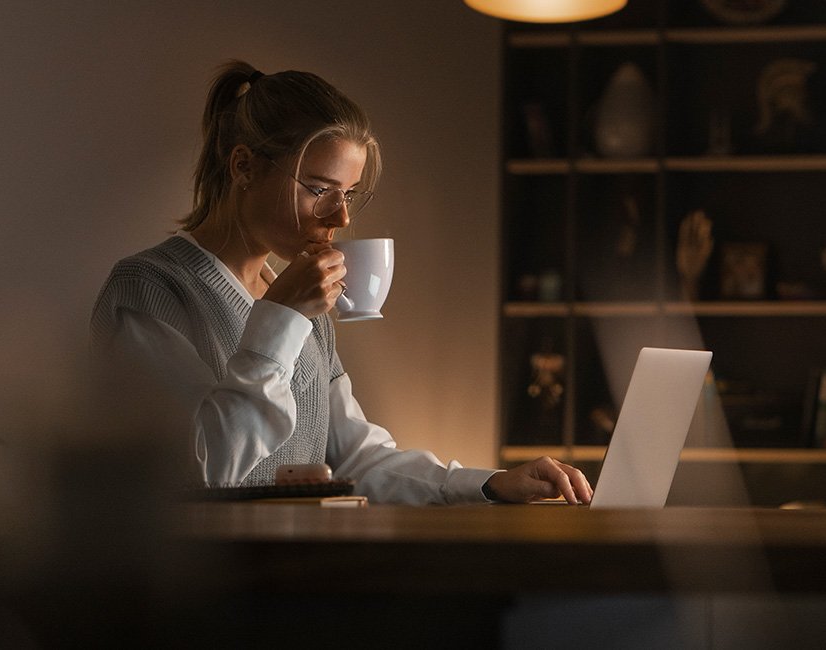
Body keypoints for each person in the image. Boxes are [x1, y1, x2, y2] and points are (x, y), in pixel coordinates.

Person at [90, 60, 592, 506]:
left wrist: (489, 485)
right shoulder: (149, 289)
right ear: (243, 165)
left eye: (349, 193)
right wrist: (280, 319)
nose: (342, 216)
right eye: (318, 189)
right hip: (214, 593)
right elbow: (196, 468)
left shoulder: (306, 312)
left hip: (305, 574)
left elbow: (358, 461)